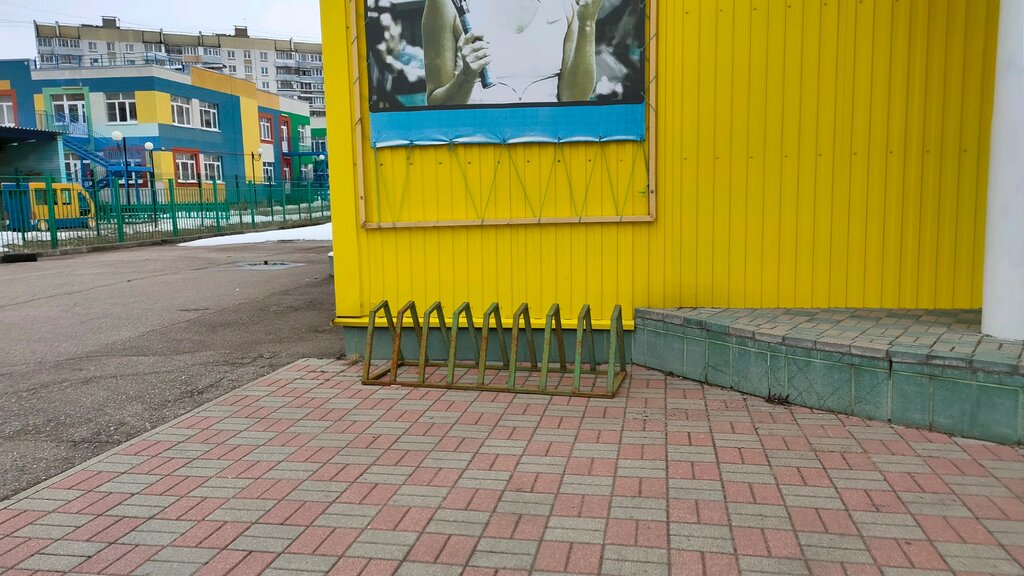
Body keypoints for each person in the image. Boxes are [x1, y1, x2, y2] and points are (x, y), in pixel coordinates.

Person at [423, 0, 604, 106]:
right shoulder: (444, 3)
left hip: (547, 150)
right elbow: (436, 105)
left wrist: (588, 23)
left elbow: (574, 100)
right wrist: (466, 77)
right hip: (476, 155)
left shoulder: (566, 3)